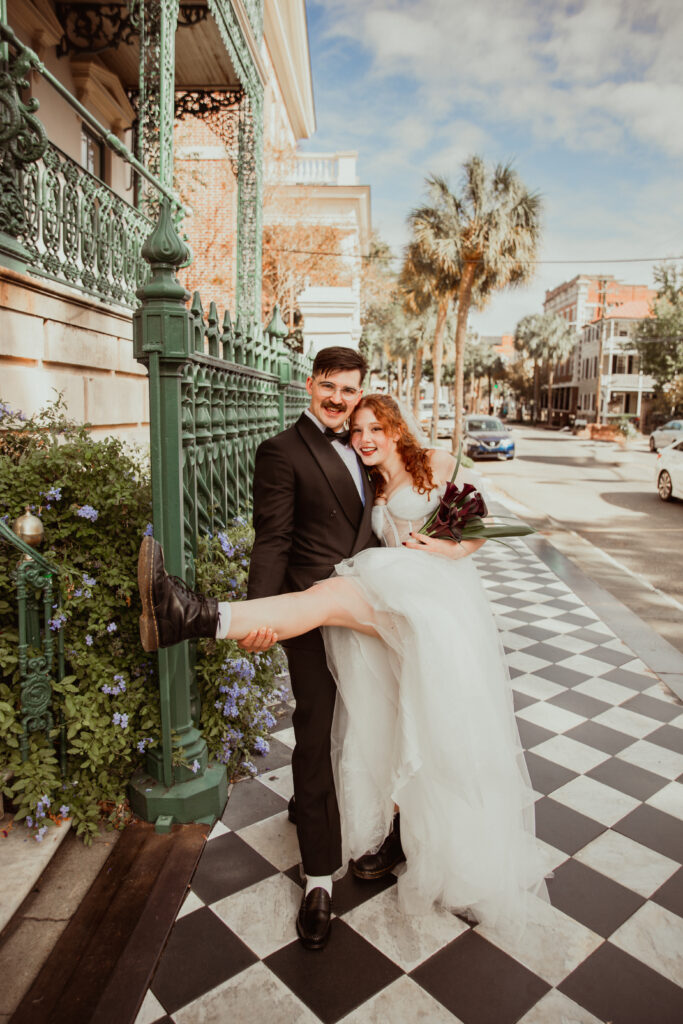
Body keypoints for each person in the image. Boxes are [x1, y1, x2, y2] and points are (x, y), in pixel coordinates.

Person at [138, 394, 548, 947]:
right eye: (358, 430)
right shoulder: (370, 482)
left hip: (436, 603)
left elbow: (479, 528)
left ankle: (195, 615)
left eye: (376, 427)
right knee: (369, 672)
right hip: (399, 600)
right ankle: (193, 615)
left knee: (333, 601)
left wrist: (450, 551)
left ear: (397, 429)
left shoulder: (438, 465)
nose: (365, 438)